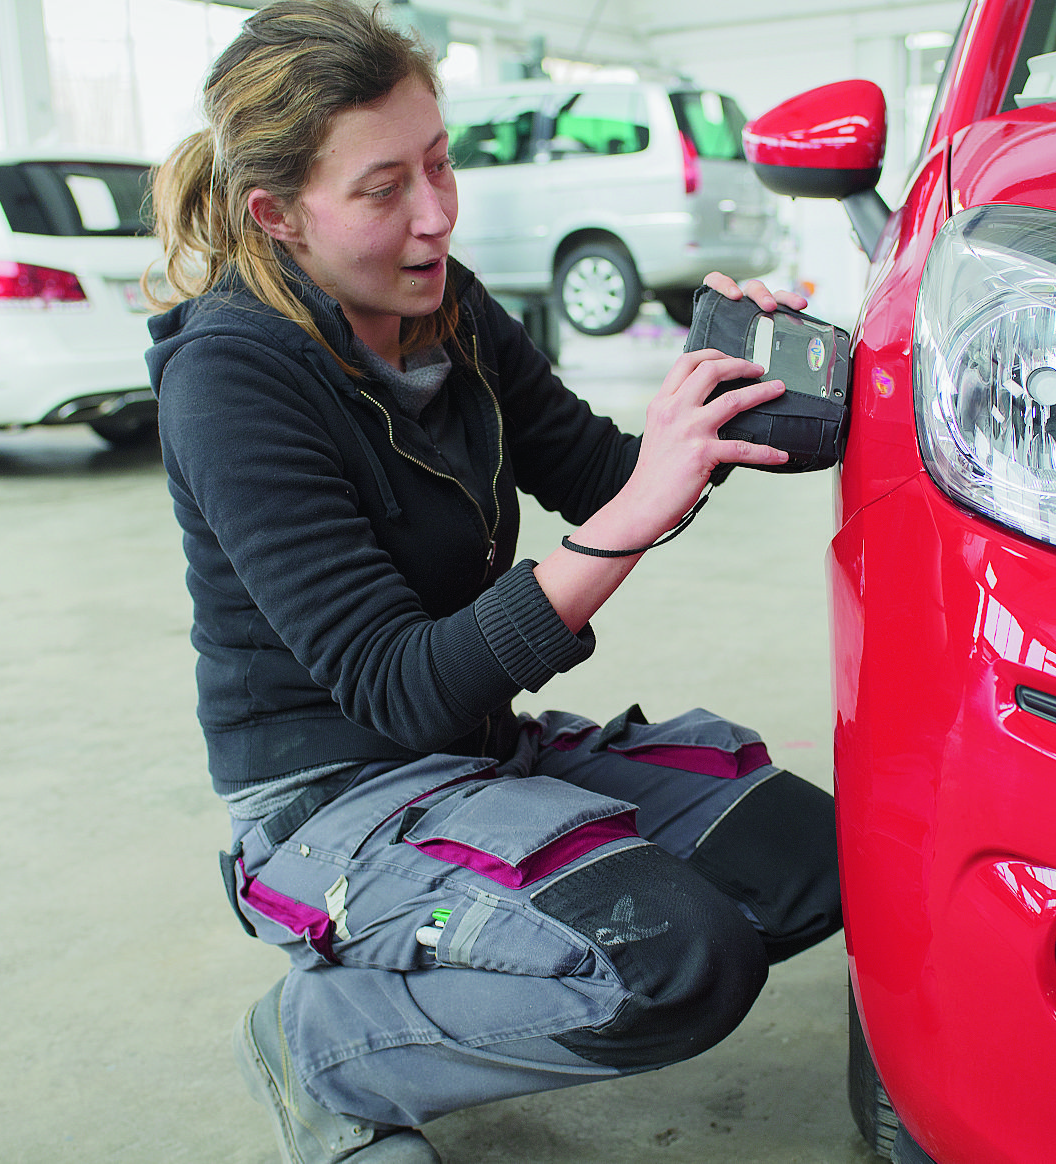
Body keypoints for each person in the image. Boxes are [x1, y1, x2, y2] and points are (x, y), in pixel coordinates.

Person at [144, 3, 841, 1161]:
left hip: (475, 751)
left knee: (817, 858)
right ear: (276, 214)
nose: (433, 215)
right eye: (382, 189)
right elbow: (398, 687)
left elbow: (604, 473)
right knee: (676, 961)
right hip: (332, 798)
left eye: (440, 162)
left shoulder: (448, 305)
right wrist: (630, 515)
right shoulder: (230, 382)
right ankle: (325, 1041)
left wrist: (722, 398)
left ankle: (487, 956)